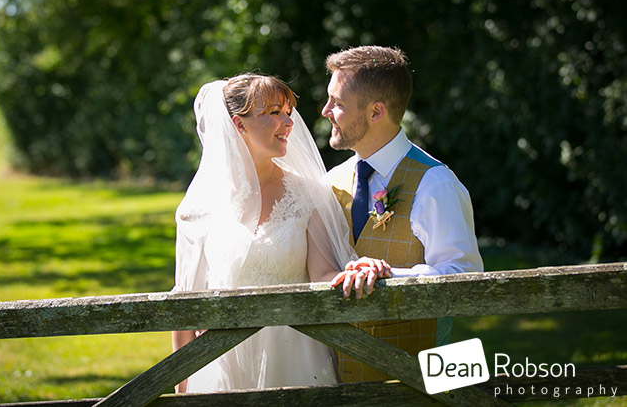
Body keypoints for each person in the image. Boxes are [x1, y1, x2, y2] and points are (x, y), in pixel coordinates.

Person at [171, 74, 390, 393]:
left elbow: (323, 273)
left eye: (288, 112)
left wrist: (353, 271)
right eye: (274, 112)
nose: (289, 122)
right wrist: (181, 385)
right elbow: (185, 301)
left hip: (295, 358)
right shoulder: (201, 206)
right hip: (222, 362)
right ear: (239, 124)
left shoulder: (308, 193)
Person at [321, 45, 484, 383]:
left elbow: (465, 280)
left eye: (337, 103)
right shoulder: (331, 181)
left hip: (419, 381)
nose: (325, 111)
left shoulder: (436, 183)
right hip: (336, 378)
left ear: (375, 111)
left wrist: (390, 277)